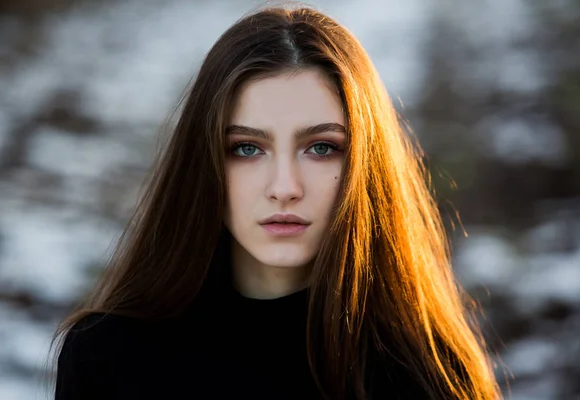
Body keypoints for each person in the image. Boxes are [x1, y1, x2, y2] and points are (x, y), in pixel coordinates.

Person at [51, 4, 503, 400]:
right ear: (204, 162)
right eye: (247, 148)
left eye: (321, 147)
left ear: (365, 164)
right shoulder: (107, 358)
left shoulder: (428, 374)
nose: (285, 187)